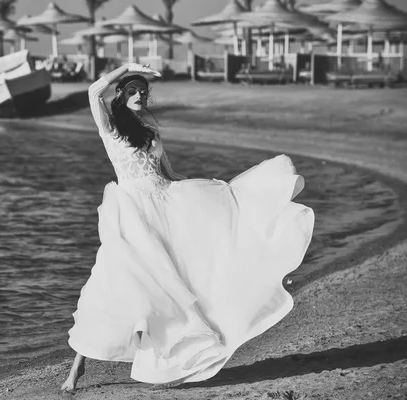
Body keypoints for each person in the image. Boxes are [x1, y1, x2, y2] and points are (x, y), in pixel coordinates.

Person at [61, 63, 315, 392]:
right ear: (121, 97)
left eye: (143, 91)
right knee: (107, 285)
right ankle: (75, 369)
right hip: (133, 214)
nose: (139, 95)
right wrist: (127, 67)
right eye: (132, 91)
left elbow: (168, 173)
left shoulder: (149, 129)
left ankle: (169, 360)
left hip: (166, 206)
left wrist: (214, 192)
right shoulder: (110, 128)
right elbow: (93, 91)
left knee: (174, 288)